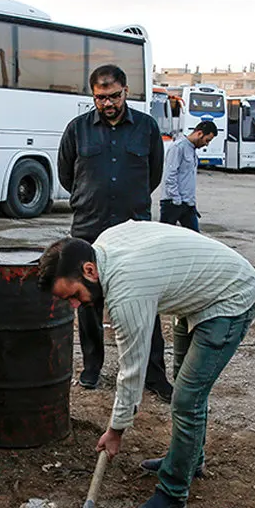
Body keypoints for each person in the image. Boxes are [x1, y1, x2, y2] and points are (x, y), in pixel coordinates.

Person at [38, 222, 255, 508]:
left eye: (73, 295)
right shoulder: (104, 245)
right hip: (197, 293)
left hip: (229, 296)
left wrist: (115, 431)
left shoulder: (126, 291)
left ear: (89, 271)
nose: (75, 305)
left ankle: (173, 494)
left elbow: (133, 370)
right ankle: (189, 460)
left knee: (187, 398)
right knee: (186, 388)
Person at [57, 65, 173, 401]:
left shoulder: (147, 128)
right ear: (93, 96)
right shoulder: (77, 130)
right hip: (88, 230)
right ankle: (92, 368)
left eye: (113, 96)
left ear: (126, 91)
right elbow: (67, 175)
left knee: (145, 301)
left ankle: (154, 374)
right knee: (88, 302)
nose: (107, 103)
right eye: (100, 97)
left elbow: (153, 174)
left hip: (133, 231)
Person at [161, 121, 219, 232]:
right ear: (199, 134)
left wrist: (190, 202)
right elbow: (170, 175)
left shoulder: (192, 151)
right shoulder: (178, 147)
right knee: (165, 239)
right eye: (207, 140)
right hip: (172, 203)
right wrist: (176, 200)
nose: (206, 144)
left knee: (196, 239)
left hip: (188, 204)